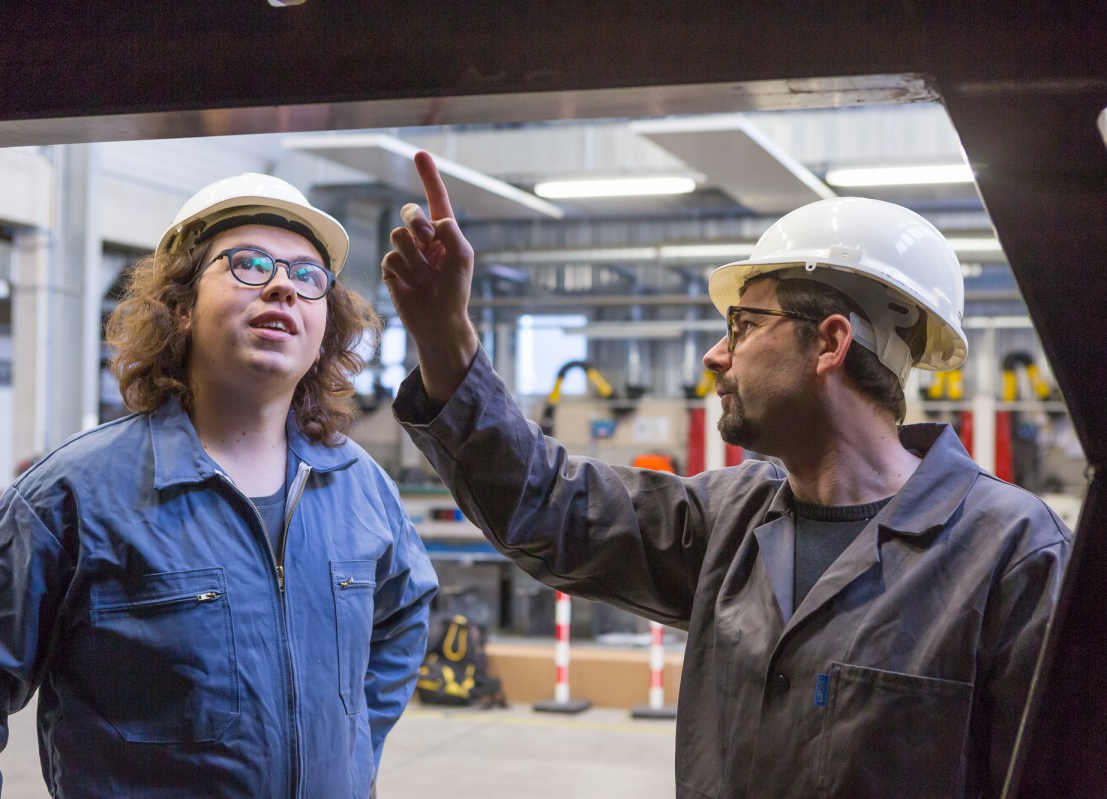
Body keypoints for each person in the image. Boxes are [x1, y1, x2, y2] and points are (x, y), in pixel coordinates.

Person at [384, 152, 1070, 798]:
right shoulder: (729, 521)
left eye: (743, 325)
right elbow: (550, 505)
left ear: (830, 342)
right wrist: (447, 340)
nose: (715, 355)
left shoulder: (1007, 551)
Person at [0, 173, 438, 798]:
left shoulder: (359, 486)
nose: (282, 286)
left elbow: (405, 610)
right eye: (248, 265)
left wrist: (354, 746)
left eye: (308, 276)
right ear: (182, 308)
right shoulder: (73, 495)